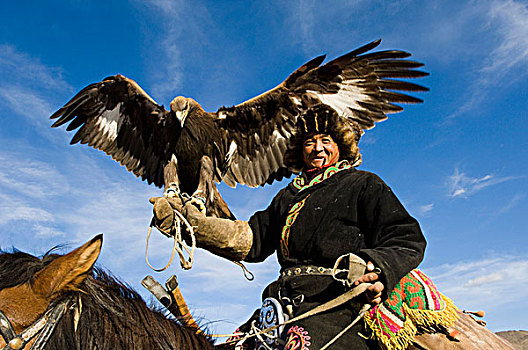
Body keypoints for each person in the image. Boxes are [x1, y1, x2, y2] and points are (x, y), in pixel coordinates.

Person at [153, 104, 426, 349]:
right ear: (300, 150)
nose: (317, 148)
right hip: (282, 303)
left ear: (340, 146)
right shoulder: (287, 196)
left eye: (325, 140)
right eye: (309, 142)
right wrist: (193, 226)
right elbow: (252, 240)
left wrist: (375, 266)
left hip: (339, 301)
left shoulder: (363, 184)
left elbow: (406, 237)